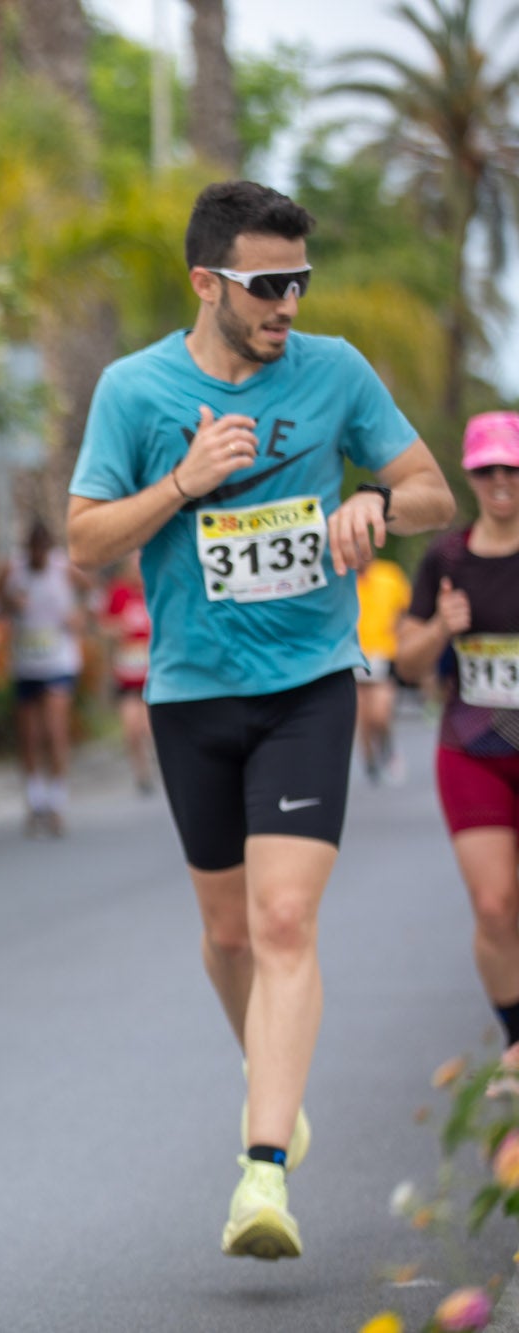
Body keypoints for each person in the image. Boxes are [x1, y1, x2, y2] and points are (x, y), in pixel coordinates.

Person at [66, 180, 453, 1261]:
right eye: (266, 285)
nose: (287, 304)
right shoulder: (134, 390)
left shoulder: (335, 371)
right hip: (191, 693)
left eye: (299, 282)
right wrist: (182, 483)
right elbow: (86, 540)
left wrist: (377, 502)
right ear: (207, 282)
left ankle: (262, 1169)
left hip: (308, 686)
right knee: (228, 934)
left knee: (283, 921)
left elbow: (434, 492)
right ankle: (271, 1074)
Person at [397, 411, 519, 1059]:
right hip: (474, 749)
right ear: (470, 476)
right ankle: (516, 1040)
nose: (501, 480)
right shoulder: (446, 559)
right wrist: (442, 626)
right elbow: (406, 663)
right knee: (495, 903)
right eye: (487, 469)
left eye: (512, 468)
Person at [0, 519, 88, 836]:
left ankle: (57, 801)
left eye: (42, 550)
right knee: (30, 737)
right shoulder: (13, 569)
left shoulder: (63, 568)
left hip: (59, 662)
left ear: (49, 549)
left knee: (55, 731)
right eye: (33, 550)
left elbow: (92, 591)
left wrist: (80, 615)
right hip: (25, 663)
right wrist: (10, 603)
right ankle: (35, 801)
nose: (38, 556)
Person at [101, 552, 157, 795]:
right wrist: (117, 629)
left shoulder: (155, 590)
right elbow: (104, 625)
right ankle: (141, 773)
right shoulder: (119, 592)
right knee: (131, 729)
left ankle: (156, 765)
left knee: (148, 727)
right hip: (127, 674)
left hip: (152, 674)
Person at [354, 557, 413, 785]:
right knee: (362, 716)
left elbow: (406, 610)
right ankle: (370, 762)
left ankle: (388, 748)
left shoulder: (389, 575)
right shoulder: (342, 579)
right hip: (354, 656)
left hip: (383, 653)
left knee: (380, 712)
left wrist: (401, 636)